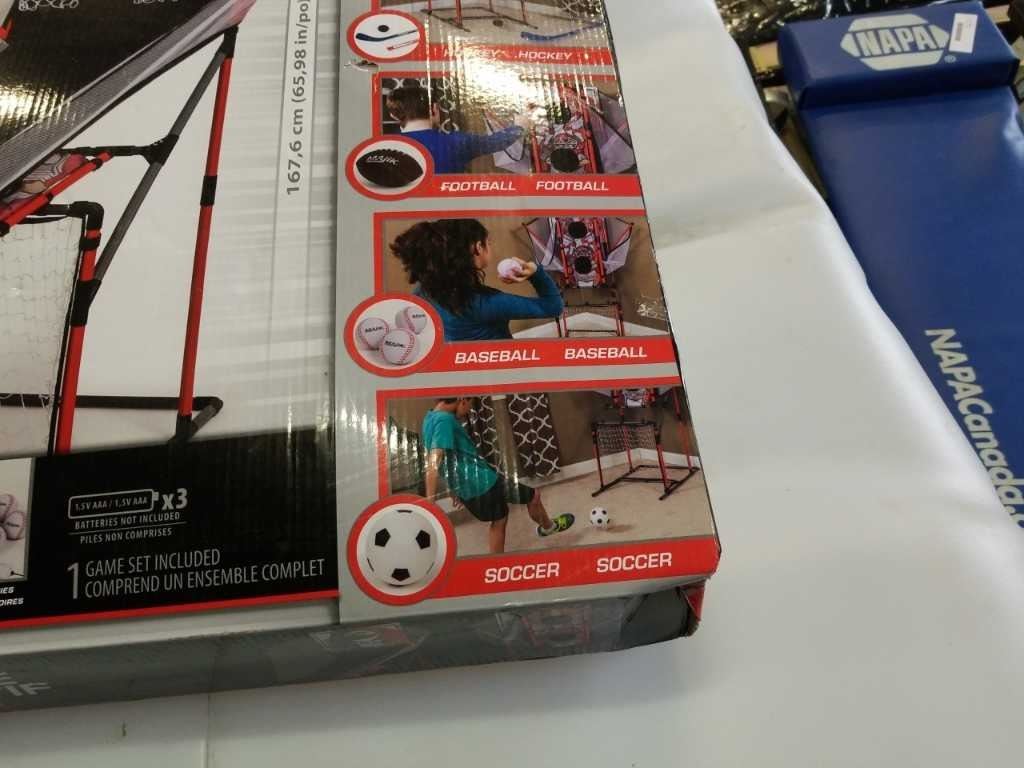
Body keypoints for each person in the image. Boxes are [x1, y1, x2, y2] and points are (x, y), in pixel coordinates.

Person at [423, 397, 574, 555]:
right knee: (530, 498)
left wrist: (454, 487)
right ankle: (548, 528)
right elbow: (433, 464)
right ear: (462, 400)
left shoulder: (429, 417)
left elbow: (444, 459)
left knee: (500, 518)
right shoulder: (445, 421)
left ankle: (501, 558)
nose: (468, 411)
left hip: (470, 486)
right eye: (470, 405)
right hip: (483, 483)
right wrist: (429, 507)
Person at [391, 218, 564, 341]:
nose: (490, 245)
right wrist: (536, 273)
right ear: (478, 247)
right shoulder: (487, 303)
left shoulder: (422, 292)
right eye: (488, 242)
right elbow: (554, 307)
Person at [386, 85, 529, 174]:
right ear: (434, 109)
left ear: (393, 115)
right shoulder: (456, 141)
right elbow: (495, 142)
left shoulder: (386, 147)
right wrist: (520, 126)